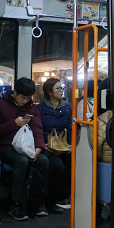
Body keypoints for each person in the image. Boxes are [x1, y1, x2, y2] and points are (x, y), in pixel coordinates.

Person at [0, 77, 50, 220]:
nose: (25, 101)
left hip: (27, 146)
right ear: (15, 92)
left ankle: (38, 200)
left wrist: (39, 148)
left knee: (43, 160)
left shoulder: (31, 107)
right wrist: (14, 124)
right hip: (7, 146)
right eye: (23, 97)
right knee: (22, 162)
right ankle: (16, 203)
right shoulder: (0, 106)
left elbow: (37, 128)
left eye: (28, 98)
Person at [40, 78, 71, 211]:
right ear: (49, 92)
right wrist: (42, 145)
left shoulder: (67, 108)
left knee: (74, 162)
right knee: (57, 166)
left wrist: (71, 145)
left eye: (62, 88)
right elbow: (38, 128)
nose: (61, 91)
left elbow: (71, 127)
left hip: (64, 146)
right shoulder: (40, 109)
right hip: (48, 146)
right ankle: (51, 200)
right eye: (57, 88)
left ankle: (66, 197)